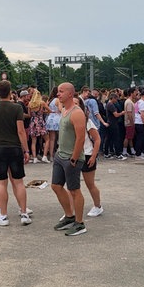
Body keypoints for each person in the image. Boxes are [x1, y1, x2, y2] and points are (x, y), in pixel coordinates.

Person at [0, 80, 31, 226]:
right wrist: (26, 149)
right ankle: (24, 213)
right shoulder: (17, 108)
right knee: (18, 182)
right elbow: (21, 130)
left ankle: (3, 215)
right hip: (15, 147)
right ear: (10, 92)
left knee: (1, 183)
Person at [51, 82, 87, 236]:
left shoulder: (77, 113)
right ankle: (69, 216)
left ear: (70, 94)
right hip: (60, 155)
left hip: (72, 158)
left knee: (74, 190)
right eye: (58, 91)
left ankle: (79, 224)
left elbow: (81, 138)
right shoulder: (65, 109)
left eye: (61, 91)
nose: (58, 94)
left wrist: (74, 158)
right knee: (56, 186)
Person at [75, 96, 104, 216]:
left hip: (87, 154)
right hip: (73, 155)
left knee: (90, 183)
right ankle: (72, 211)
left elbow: (97, 139)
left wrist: (93, 156)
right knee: (73, 186)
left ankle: (98, 206)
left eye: (76, 104)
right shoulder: (67, 119)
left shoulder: (87, 121)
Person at [28, 89, 51, 164]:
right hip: (40, 122)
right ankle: (44, 156)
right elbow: (49, 110)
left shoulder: (30, 104)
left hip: (33, 122)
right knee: (47, 139)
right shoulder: (42, 103)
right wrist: (43, 112)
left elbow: (29, 115)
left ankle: (34, 157)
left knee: (33, 142)